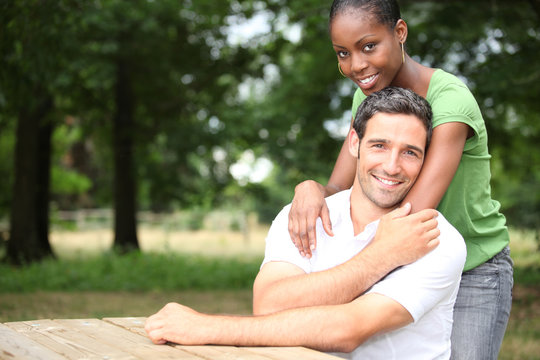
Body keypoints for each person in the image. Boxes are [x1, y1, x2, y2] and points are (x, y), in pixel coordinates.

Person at [146, 87, 467, 359]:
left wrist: (205, 328)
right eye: (379, 145)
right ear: (355, 143)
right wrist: (383, 255)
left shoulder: (435, 239)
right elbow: (269, 305)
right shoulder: (302, 215)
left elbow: (348, 329)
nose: (392, 166)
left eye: (410, 152)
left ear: (425, 158)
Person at [287, 1, 513, 358]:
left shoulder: (450, 102)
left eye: (368, 46)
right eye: (343, 53)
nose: (356, 65)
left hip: (472, 268)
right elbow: (339, 188)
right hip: (402, 258)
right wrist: (308, 189)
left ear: (400, 33)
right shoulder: (366, 98)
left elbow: (411, 214)